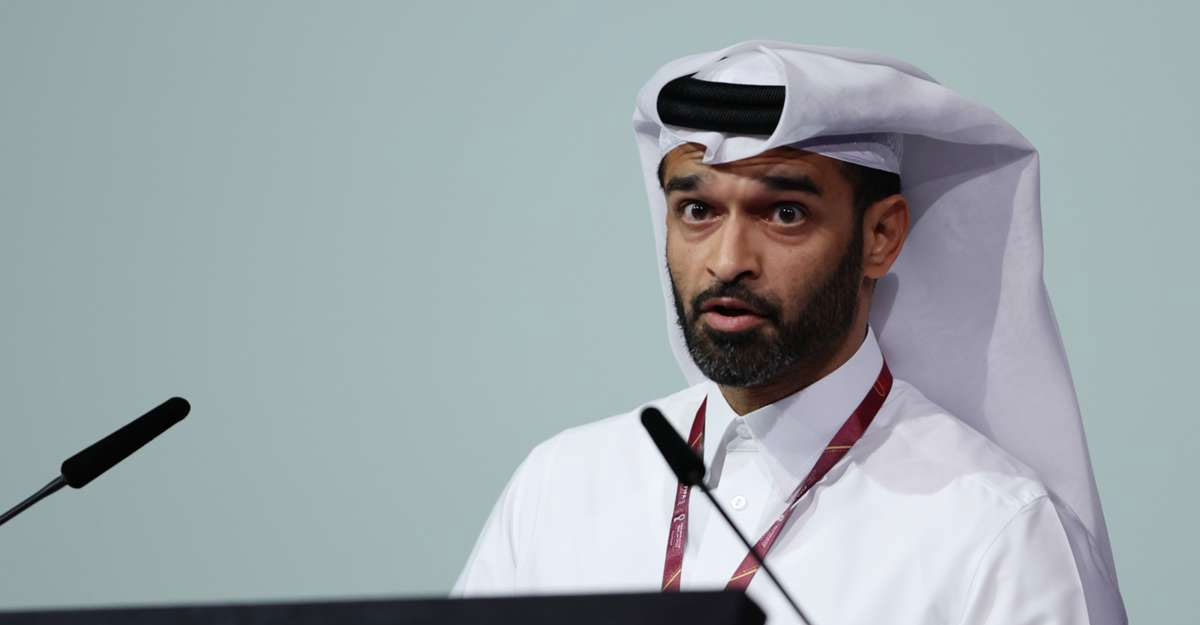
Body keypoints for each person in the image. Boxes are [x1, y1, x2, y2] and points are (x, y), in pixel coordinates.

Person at [452, 41, 1127, 625]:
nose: (727, 260)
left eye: (784, 213)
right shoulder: (561, 487)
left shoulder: (997, 532)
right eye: (697, 210)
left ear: (881, 235)